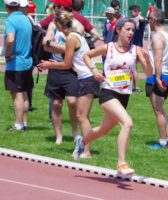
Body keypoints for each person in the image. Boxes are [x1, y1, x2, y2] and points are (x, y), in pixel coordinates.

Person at [73, 17, 153, 176]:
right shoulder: (108, 48)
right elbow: (86, 56)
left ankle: (82, 143)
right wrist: (94, 70)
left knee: (103, 130)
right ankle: (121, 163)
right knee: (127, 123)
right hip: (108, 94)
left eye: (133, 30)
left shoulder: (135, 50)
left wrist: (147, 61)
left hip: (124, 96)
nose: (131, 33)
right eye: (127, 29)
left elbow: (149, 73)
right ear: (118, 30)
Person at [37, 10, 100, 158]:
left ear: (58, 25)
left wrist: (49, 65)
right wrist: (54, 63)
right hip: (86, 77)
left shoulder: (71, 38)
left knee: (83, 117)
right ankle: (83, 147)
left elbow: (66, 64)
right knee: (81, 115)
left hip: (87, 79)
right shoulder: (75, 35)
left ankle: (87, 151)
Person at [42, 0, 81, 144]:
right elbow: (45, 43)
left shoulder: (76, 25)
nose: (54, 8)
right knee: (56, 104)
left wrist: (52, 45)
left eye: (57, 6)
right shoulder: (53, 24)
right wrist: (49, 43)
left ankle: (75, 133)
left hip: (71, 69)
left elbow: (72, 48)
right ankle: (59, 136)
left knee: (72, 101)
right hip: (56, 68)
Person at [146, 9, 168, 149]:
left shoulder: (157, 36)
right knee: (160, 109)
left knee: (158, 110)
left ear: (153, 20)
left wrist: (157, 78)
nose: (148, 22)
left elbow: (158, 58)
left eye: (148, 19)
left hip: (157, 76)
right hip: (165, 75)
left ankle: (163, 141)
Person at [4, 0, 33, 131]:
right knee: (25, 93)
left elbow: (10, 39)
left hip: (16, 64)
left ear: (6, 6)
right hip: (27, 61)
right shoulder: (26, 18)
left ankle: (18, 124)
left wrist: (8, 55)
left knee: (17, 95)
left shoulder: (10, 20)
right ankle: (24, 122)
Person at [129, 4, 146, 93]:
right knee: (132, 67)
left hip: (136, 47)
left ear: (138, 12)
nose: (132, 12)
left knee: (133, 67)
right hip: (131, 46)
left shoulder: (140, 20)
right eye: (131, 11)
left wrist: (139, 15)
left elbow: (142, 20)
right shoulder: (131, 21)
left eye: (134, 11)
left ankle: (136, 87)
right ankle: (132, 86)